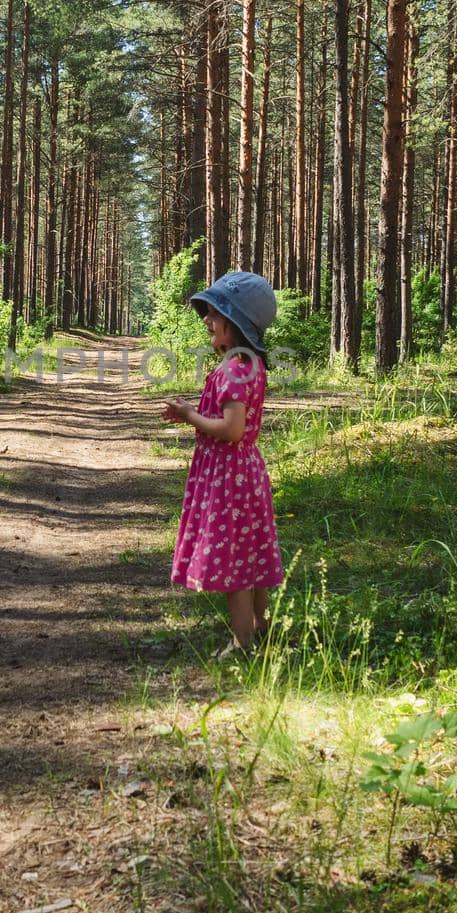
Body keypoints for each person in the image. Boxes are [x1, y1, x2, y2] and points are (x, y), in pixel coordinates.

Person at [161, 270, 284, 659]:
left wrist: (189, 416)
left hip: (228, 477)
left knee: (236, 564)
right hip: (244, 472)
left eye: (214, 313)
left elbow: (231, 429)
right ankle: (262, 629)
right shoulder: (249, 364)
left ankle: (243, 642)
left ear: (236, 323)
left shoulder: (234, 369)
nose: (206, 319)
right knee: (252, 556)